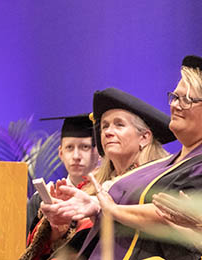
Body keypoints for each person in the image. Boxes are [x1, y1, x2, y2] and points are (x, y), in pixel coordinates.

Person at [41, 78, 198, 259]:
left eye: (119, 124)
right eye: (105, 126)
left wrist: (106, 208)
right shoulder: (91, 187)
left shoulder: (159, 178)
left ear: (144, 137)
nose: (107, 131)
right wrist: (59, 226)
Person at [21, 115, 102, 260]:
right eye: (69, 148)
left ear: (98, 153)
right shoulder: (41, 200)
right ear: (61, 153)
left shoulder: (104, 197)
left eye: (84, 147)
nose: (76, 156)